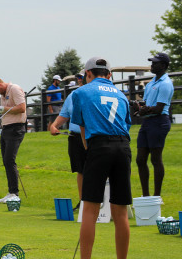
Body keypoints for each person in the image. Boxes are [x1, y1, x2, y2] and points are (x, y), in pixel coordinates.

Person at [71, 57, 131, 259]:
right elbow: (126, 124)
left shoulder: (80, 92)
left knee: (90, 208)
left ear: (88, 74)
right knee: (120, 211)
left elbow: (82, 127)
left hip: (99, 146)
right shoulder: (122, 95)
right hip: (123, 147)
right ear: (109, 75)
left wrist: (90, 150)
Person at [134, 52, 174, 198]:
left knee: (155, 159)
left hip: (159, 122)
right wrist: (139, 108)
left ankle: (156, 196)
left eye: (155, 63)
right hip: (148, 122)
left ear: (163, 66)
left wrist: (145, 110)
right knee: (140, 159)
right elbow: (147, 104)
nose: (152, 65)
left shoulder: (165, 84)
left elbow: (158, 108)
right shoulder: (151, 83)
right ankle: (146, 195)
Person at [50, 70, 86, 211]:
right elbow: (64, 114)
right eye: (78, 78)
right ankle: (83, 201)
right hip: (75, 137)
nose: (80, 80)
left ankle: (98, 201)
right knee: (80, 170)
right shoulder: (73, 95)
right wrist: (54, 126)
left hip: (92, 137)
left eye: (82, 78)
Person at [0, 76, 27, 203]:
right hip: (6, 128)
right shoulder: (3, 95)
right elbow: (10, 110)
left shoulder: (14, 89)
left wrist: (4, 109)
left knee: (10, 160)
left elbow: (22, 108)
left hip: (16, 128)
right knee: (6, 160)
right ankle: (11, 192)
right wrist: (1, 111)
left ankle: (15, 193)